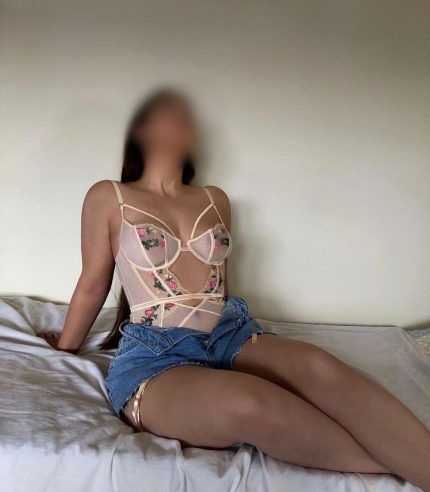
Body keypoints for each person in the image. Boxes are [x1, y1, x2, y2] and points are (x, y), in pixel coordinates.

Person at [47, 88, 430, 490]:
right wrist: (65, 348)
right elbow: (93, 284)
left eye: (185, 116)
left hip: (228, 333)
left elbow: (219, 288)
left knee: (321, 366)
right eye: (164, 114)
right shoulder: (109, 196)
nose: (180, 121)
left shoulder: (215, 199)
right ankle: (400, 462)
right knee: (250, 402)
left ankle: (412, 458)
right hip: (155, 354)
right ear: (140, 131)